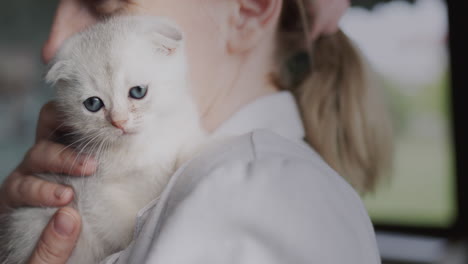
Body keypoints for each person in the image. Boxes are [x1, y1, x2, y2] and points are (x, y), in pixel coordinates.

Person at [0, 0, 393, 263]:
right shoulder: (218, 177)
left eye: (107, 6)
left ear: (248, 11)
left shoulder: (260, 194)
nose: (52, 44)